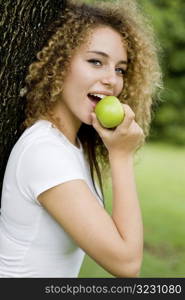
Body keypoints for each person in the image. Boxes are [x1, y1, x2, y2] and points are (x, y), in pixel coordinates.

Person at [0, 0, 162, 277]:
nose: (112, 80)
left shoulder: (74, 145)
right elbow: (126, 263)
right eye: (96, 61)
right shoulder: (45, 152)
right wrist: (121, 156)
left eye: (120, 69)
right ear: (59, 64)